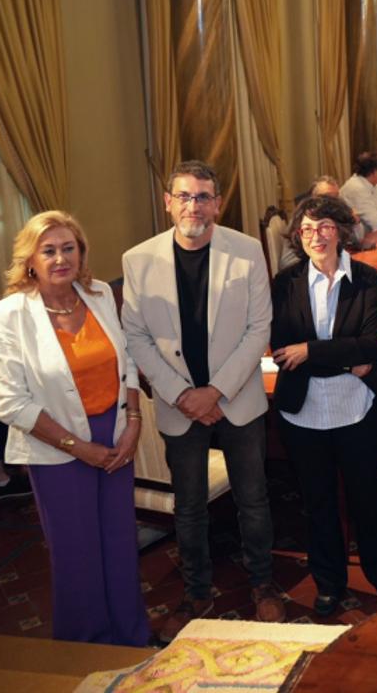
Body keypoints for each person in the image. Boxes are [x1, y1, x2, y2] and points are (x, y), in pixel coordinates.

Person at [121, 160, 282, 640]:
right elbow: (137, 336)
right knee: (188, 505)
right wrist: (184, 395)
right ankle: (196, 592)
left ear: (218, 202)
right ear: (168, 202)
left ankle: (263, 584)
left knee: (253, 499)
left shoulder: (248, 251)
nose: (195, 205)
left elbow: (260, 329)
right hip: (179, 404)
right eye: (185, 196)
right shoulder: (138, 259)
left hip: (238, 399)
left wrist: (217, 391)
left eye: (204, 196)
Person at [0, 211, 149, 646]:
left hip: (114, 437)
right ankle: (87, 648)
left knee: (118, 545)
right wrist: (80, 448)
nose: (61, 258)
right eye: (49, 250)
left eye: (69, 248)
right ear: (30, 260)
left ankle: (132, 638)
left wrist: (133, 423)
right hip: (56, 448)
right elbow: (12, 404)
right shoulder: (8, 316)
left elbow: (127, 362)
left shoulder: (97, 295)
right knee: (77, 555)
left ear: (82, 253)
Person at [271, 196, 377, 615]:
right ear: (299, 236)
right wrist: (346, 359)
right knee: (318, 504)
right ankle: (329, 583)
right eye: (307, 229)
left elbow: (372, 343)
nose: (317, 236)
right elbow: (281, 349)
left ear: (341, 230)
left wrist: (310, 351)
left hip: (358, 411)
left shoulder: (367, 278)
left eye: (325, 226)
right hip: (303, 412)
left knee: (367, 499)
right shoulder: (285, 282)